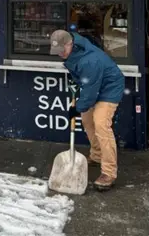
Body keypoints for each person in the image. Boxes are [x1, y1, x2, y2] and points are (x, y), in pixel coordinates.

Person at [50, 29, 125, 191]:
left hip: (109, 89)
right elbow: (83, 80)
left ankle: (109, 172)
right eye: (57, 51)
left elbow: (91, 91)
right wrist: (76, 84)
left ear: (70, 44)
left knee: (101, 124)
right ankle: (97, 155)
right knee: (87, 121)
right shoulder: (73, 52)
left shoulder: (90, 60)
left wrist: (78, 108)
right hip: (94, 86)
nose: (60, 54)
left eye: (62, 50)